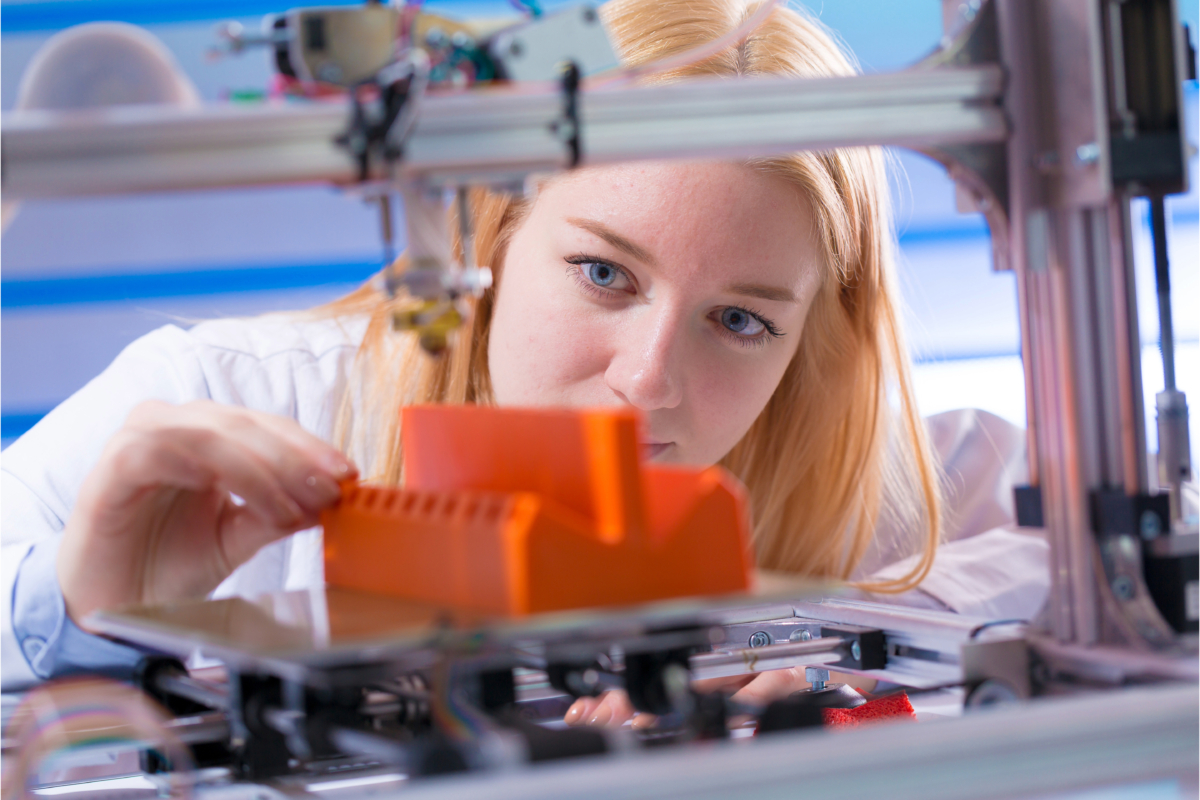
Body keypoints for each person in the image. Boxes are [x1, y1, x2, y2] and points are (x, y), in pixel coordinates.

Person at [1, 0, 1048, 699]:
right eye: (604, 273)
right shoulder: (214, 408)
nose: (647, 380)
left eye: (741, 320)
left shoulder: (828, 471)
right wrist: (78, 611)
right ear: (495, 234)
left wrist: (846, 642)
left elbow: (1093, 554)